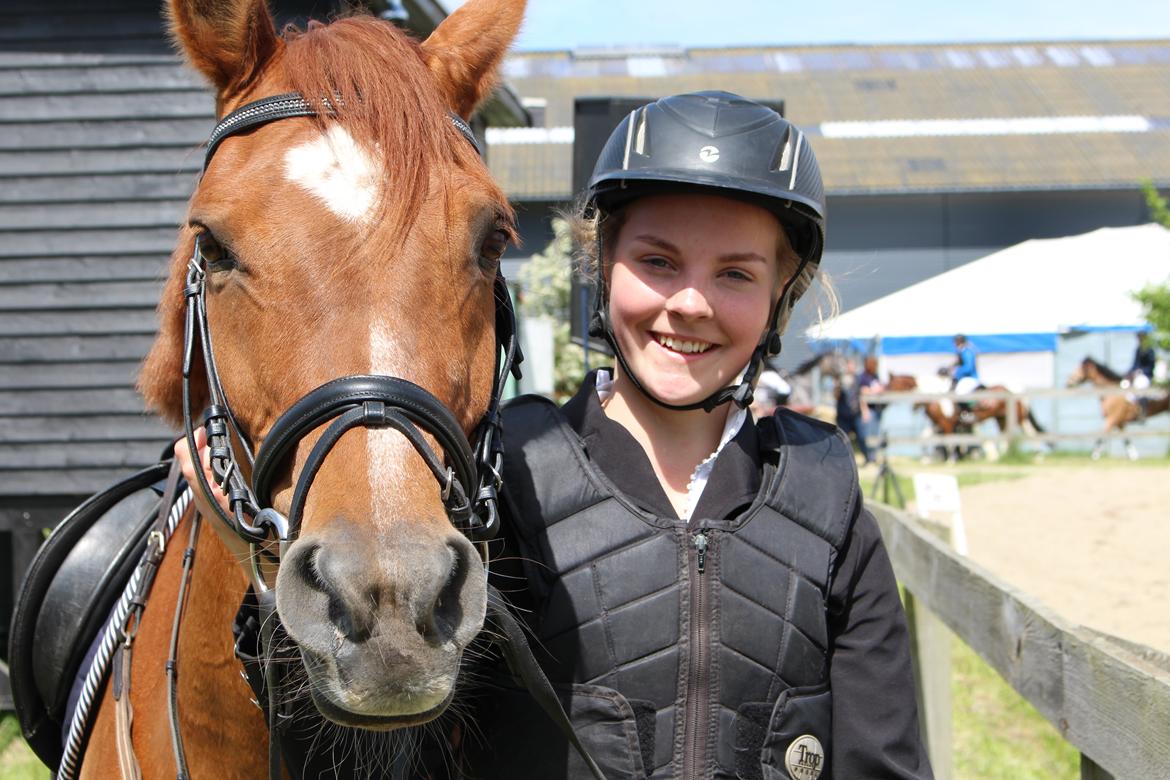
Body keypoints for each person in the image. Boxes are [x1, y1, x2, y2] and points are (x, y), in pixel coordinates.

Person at [180, 91, 932, 779]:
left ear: (782, 295)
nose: (692, 303)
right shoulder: (501, 484)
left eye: (736, 274)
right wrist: (264, 570)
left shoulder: (824, 496)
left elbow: (884, 761)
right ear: (601, 268)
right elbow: (353, 762)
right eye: (658, 261)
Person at [834, 357, 874, 464]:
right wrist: (838, 386)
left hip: (855, 414)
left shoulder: (858, 379)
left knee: (861, 437)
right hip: (843, 415)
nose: (851, 367)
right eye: (849, 365)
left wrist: (865, 411)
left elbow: (860, 396)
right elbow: (836, 396)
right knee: (842, 439)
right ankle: (841, 461)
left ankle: (868, 458)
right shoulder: (840, 379)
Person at [1123, 330, 1156, 417]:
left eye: (1141, 337)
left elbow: (1151, 366)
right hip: (1136, 375)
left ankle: (1143, 409)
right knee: (1125, 385)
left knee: (1141, 385)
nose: (1139, 339)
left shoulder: (1150, 350)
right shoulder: (1138, 349)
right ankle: (1131, 409)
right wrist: (1129, 373)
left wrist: (1141, 372)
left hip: (1145, 375)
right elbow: (1134, 365)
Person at [950, 333, 981, 425]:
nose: (954, 343)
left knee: (960, 391)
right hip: (963, 378)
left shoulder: (967, 351)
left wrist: (956, 372)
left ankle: (967, 413)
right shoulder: (961, 351)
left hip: (970, 378)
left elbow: (968, 367)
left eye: (956, 341)